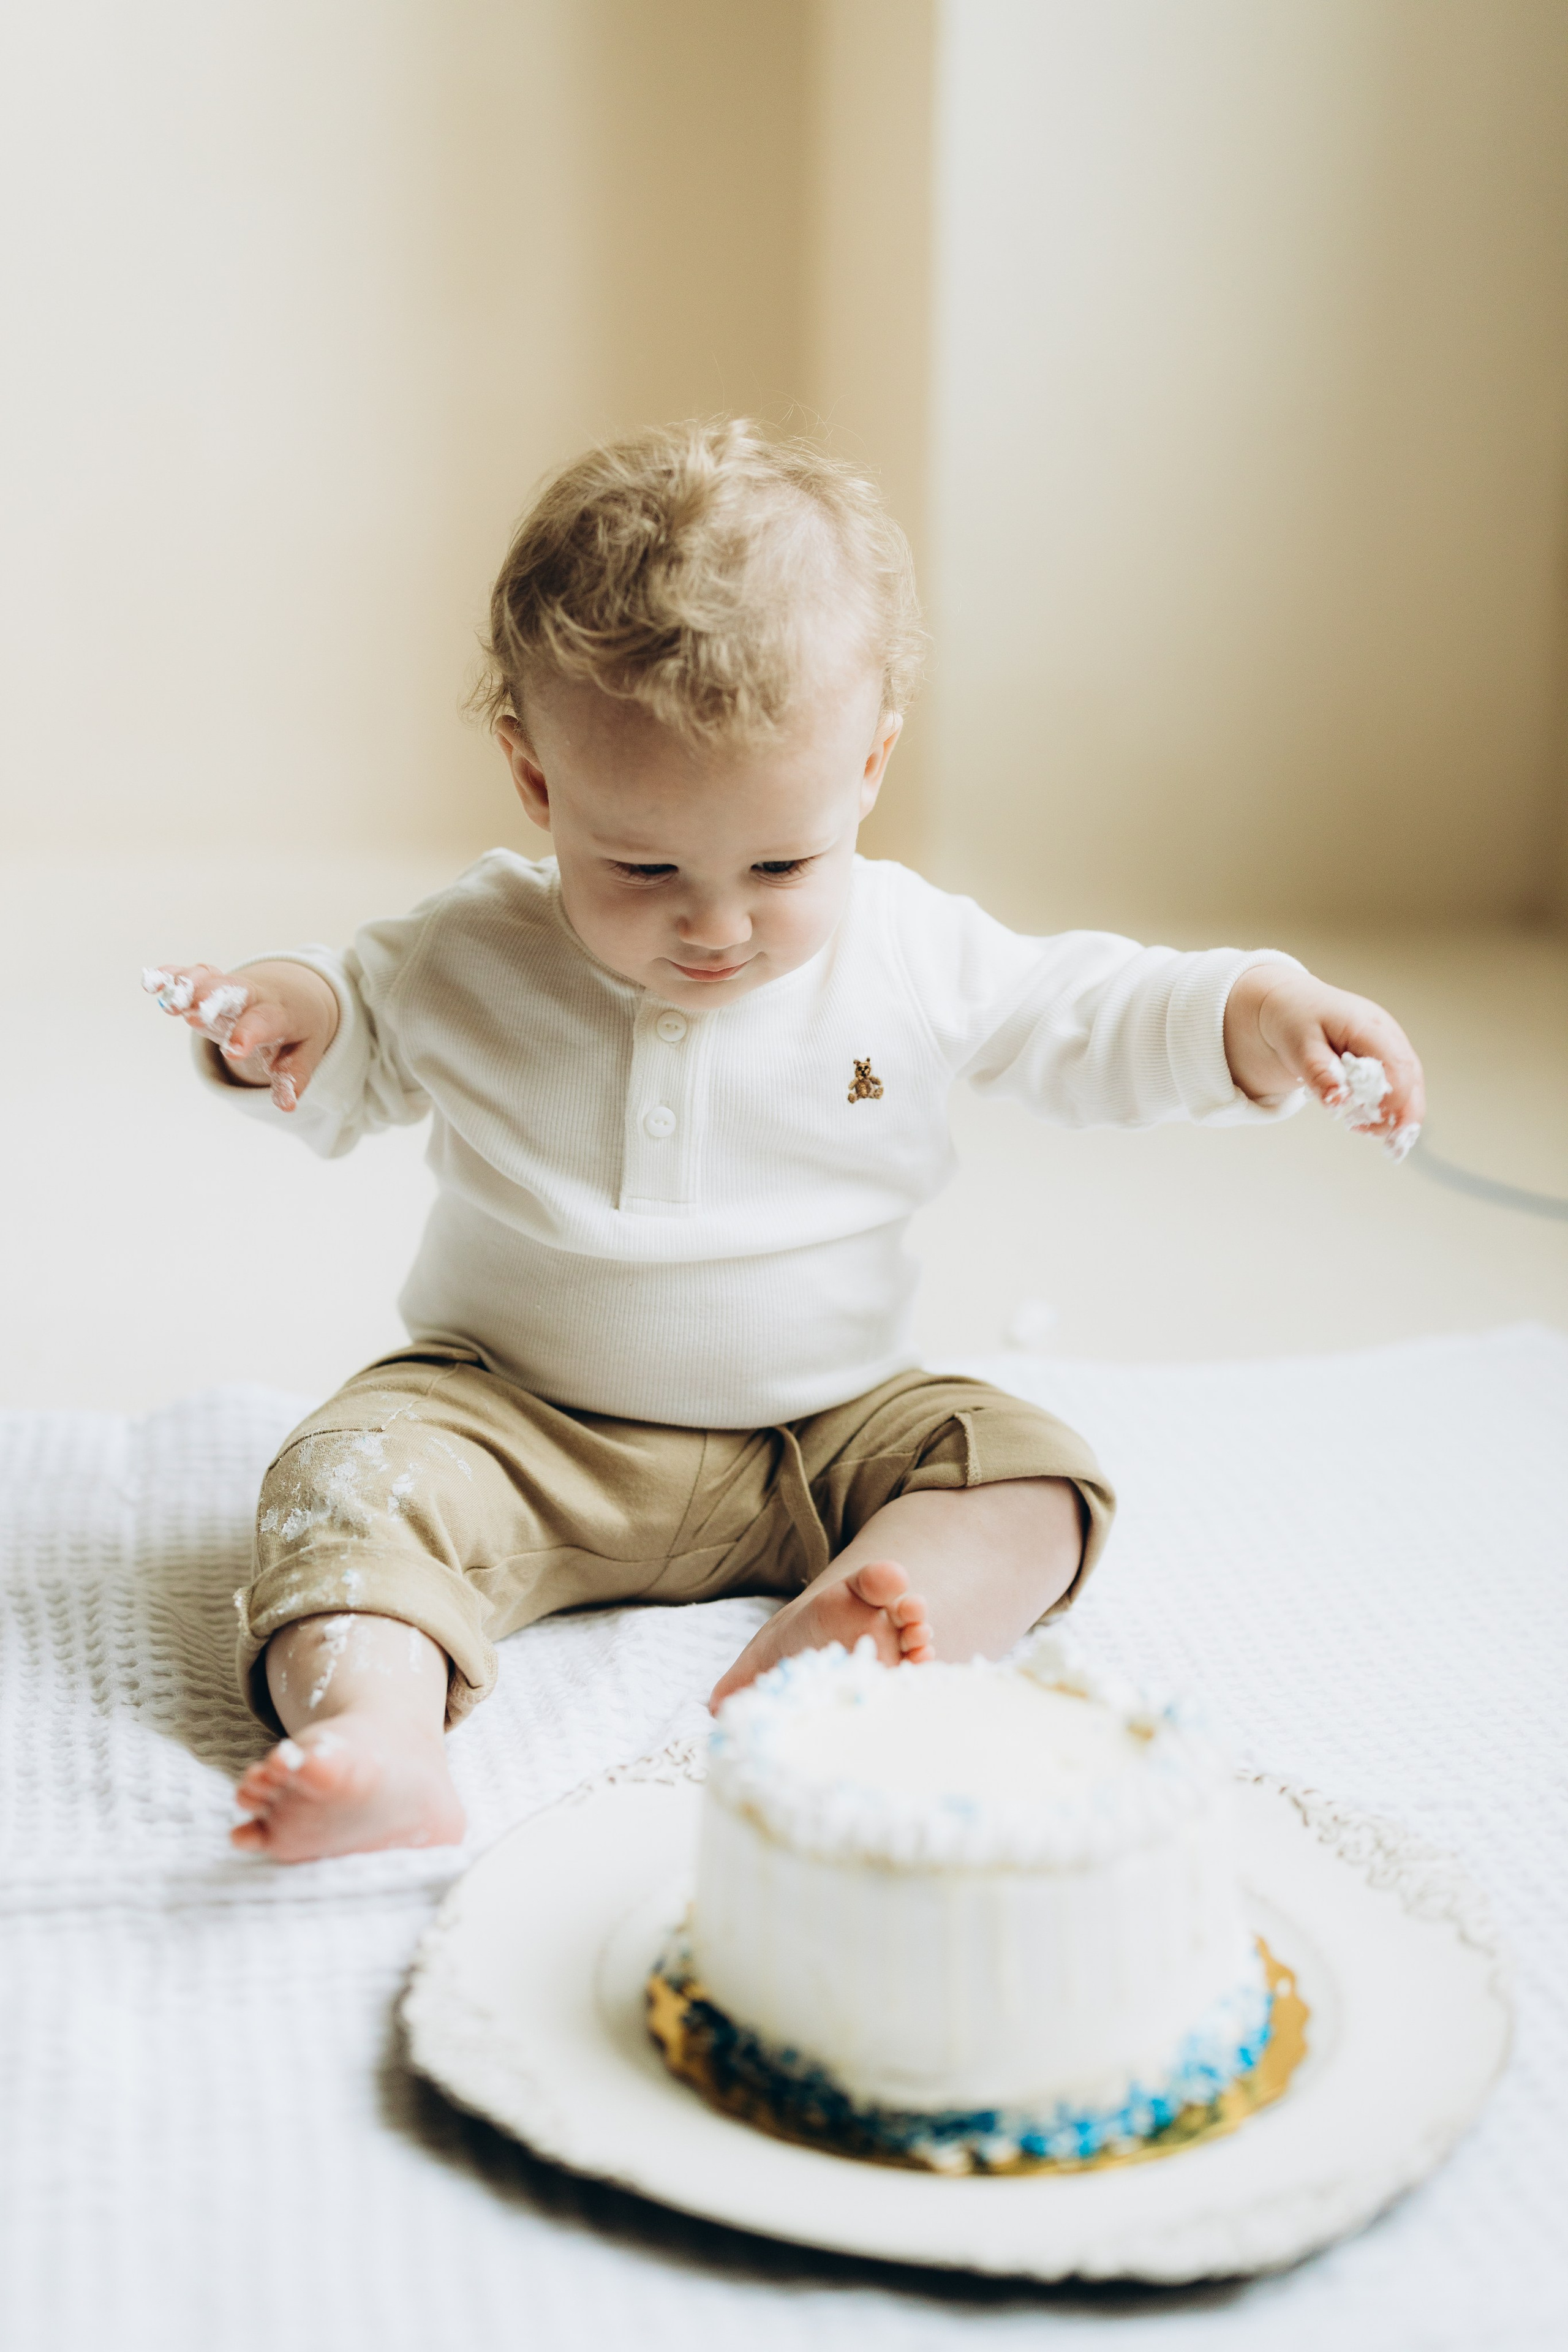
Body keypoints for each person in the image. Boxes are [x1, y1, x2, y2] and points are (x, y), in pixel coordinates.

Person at [146, 418, 1424, 1863]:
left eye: (777, 863)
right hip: (514, 1423)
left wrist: (1245, 1012)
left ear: (867, 768)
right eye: (642, 868)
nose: (715, 924)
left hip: (819, 1436)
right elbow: (357, 1023)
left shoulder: (910, 952)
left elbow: (1087, 1010)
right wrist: (279, 1020)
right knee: (345, 1479)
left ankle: (868, 1626)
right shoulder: (470, 949)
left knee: (1034, 1477)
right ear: (535, 780)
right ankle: (374, 1738)